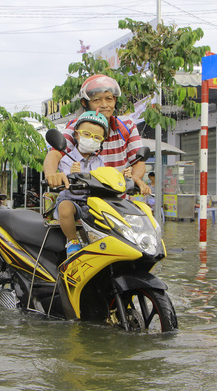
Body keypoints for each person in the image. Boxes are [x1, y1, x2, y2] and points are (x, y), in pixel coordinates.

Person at [44, 74, 150, 195]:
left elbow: (138, 161)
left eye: (109, 99)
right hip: (85, 199)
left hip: (118, 201)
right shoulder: (76, 126)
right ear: (85, 102)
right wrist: (52, 175)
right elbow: (54, 154)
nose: (104, 104)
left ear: (115, 100)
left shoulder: (127, 125)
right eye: (96, 100)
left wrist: (135, 177)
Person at [51, 110, 111, 256]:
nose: (91, 139)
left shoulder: (99, 161)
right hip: (71, 201)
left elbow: (105, 177)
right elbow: (62, 178)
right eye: (86, 134)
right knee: (65, 207)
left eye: (96, 137)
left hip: (91, 204)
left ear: (101, 141)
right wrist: (71, 173)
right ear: (77, 134)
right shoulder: (67, 158)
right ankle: (72, 242)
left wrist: (121, 176)